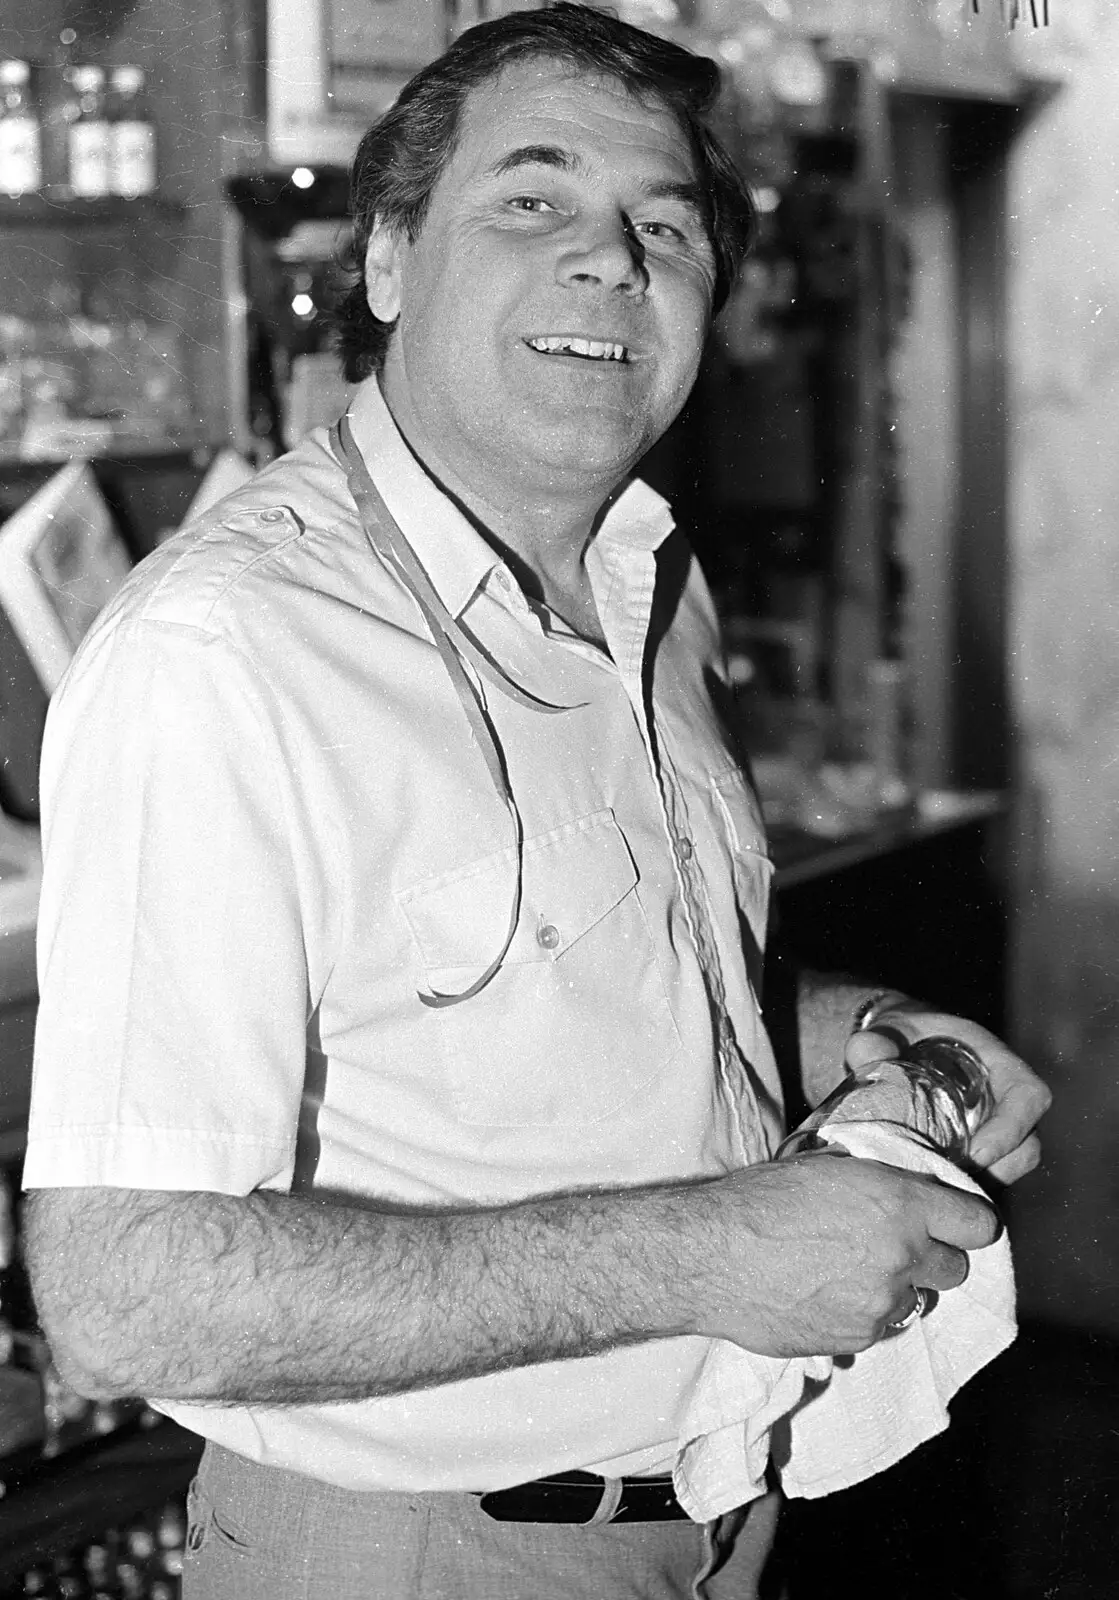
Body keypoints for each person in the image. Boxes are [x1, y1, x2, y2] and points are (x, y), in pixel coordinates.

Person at [21, 7, 1049, 1598]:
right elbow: (126, 1293)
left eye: (664, 225)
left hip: (707, 1518)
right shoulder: (228, 657)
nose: (610, 263)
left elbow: (563, 1001)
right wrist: (714, 1250)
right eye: (530, 200)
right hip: (410, 1560)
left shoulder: (651, 584)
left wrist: (848, 1029)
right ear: (385, 262)